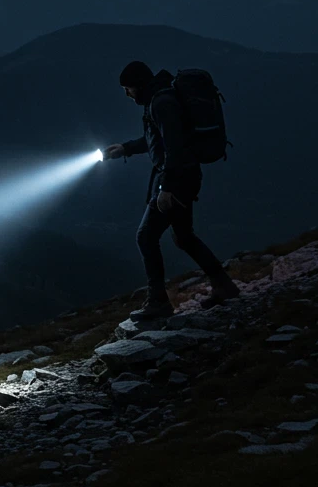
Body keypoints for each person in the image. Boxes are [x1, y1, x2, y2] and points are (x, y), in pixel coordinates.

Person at [103, 60, 241, 319]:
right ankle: (224, 286)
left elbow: (175, 147)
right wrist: (125, 148)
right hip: (183, 176)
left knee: (146, 237)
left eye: (128, 88)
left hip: (176, 179)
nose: (126, 94)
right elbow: (159, 139)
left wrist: (167, 187)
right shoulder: (160, 99)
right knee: (184, 237)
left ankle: (158, 303)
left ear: (139, 85)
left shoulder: (161, 103)